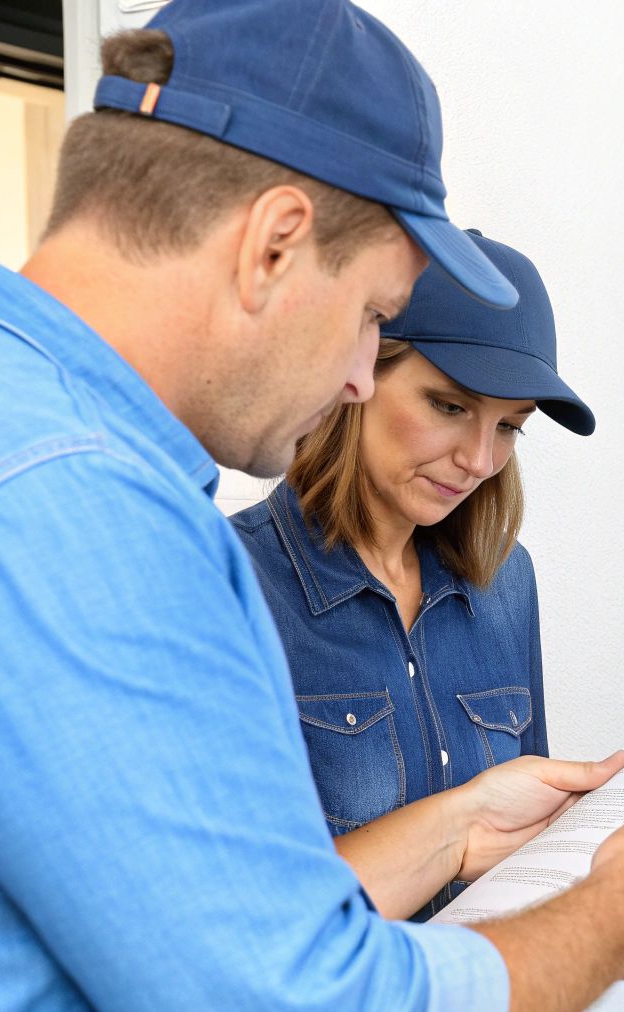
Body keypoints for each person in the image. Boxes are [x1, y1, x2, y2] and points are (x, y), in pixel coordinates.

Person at [0, 2, 624, 1012]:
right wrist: (614, 918)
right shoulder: (70, 506)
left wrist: (459, 823)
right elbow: (292, 1006)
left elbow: (180, 920)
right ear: (273, 244)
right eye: (374, 317)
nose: (360, 378)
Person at [231, 230, 593, 921]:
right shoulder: (231, 584)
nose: (480, 461)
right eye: (450, 407)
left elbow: (523, 861)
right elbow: (232, 914)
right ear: (360, 370)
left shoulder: (506, 585)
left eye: (511, 427)